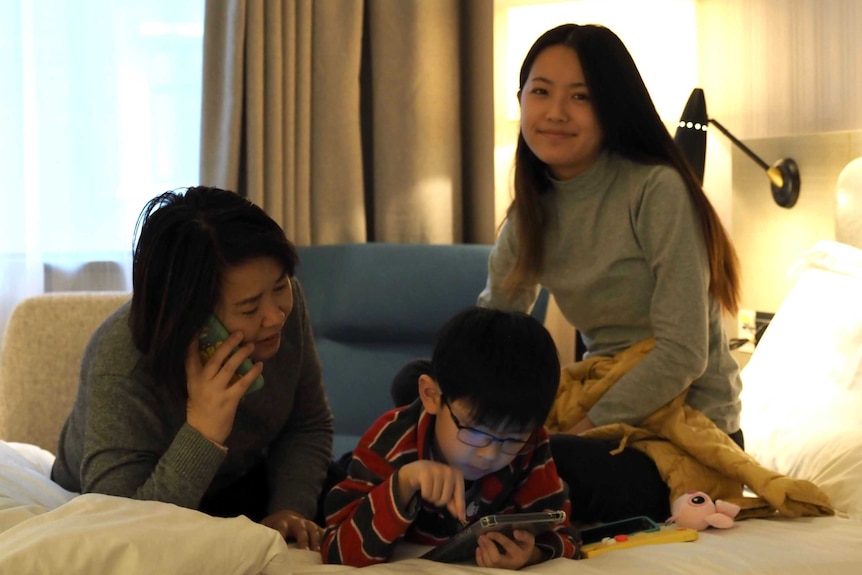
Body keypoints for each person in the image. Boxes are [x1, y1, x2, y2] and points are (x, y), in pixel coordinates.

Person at [392, 23, 744, 524]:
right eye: (541, 92)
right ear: (521, 101)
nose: (555, 112)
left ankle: (461, 491)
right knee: (420, 386)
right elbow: (491, 329)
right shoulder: (533, 210)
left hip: (683, 430)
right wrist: (449, 396)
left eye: (580, 96)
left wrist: (578, 429)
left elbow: (683, 352)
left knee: (556, 462)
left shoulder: (655, 189)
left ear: (611, 107)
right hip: (594, 398)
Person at [51, 186, 334, 550]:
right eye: (248, 309)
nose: (275, 315)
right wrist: (203, 432)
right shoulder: (123, 365)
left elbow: (307, 424)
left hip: (239, 479)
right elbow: (119, 527)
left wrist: (291, 508)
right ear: (190, 318)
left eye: (281, 287)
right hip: (124, 500)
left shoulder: (282, 309)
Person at [321, 307, 579, 569]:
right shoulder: (390, 444)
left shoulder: (530, 446)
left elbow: (564, 533)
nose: (489, 454)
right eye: (476, 431)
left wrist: (533, 554)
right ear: (431, 395)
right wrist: (403, 485)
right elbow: (337, 552)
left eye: (512, 439)